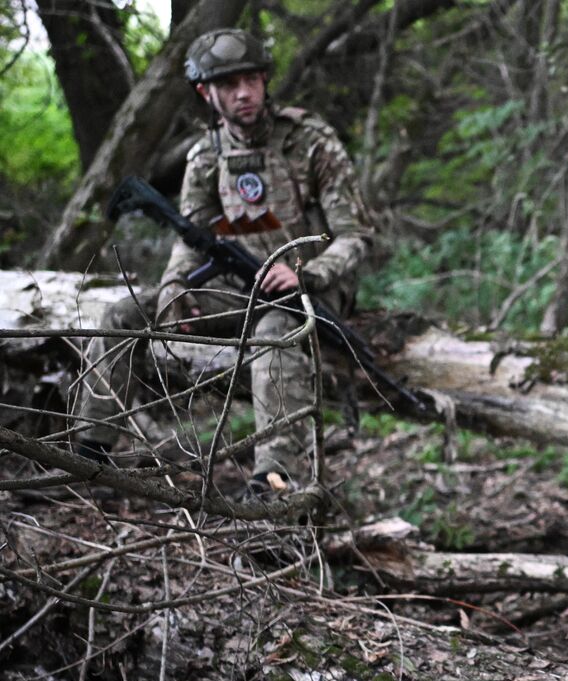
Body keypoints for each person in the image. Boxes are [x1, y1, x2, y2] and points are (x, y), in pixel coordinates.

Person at [75, 28, 373, 493]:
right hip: (235, 289)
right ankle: (85, 456)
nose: (244, 93)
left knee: (276, 332)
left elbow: (355, 235)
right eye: (230, 85)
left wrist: (307, 273)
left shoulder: (310, 141)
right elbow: (190, 235)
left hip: (307, 291)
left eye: (252, 80)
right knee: (122, 314)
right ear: (205, 93)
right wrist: (176, 287)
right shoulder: (206, 155)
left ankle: (272, 481)